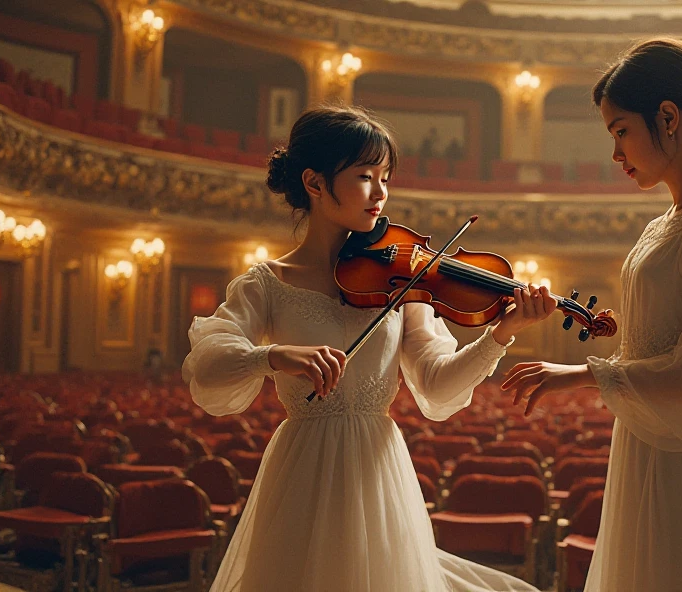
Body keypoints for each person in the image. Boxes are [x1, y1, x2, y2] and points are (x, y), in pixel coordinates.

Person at [182, 105, 552, 591]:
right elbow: (207, 366)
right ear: (315, 183)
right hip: (302, 468)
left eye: (385, 177)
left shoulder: (403, 282)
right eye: (364, 176)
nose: (380, 193)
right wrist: (271, 357)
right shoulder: (267, 283)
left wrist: (499, 335)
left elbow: (438, 385)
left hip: (378, 468)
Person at [501, 38, 682, 591]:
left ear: (669, 118)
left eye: (621, 131)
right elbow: (661, 343)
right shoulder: (664, 224)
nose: (616, 153)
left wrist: (578, 374)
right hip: (643, 443)